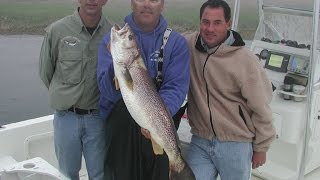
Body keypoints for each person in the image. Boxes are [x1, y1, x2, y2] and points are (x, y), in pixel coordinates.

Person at [97, 0, 190, 179]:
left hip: (156, 127)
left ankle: (177, 166)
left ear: (162, 4)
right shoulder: (110, 43)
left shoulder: (176, 44)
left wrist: (155, 119)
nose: (146, 4)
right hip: (120, 135)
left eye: (154, 0)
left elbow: (175, 88)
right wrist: (116, 67)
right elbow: (107, 92)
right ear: (132, 3)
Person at [184, 0, 276, 179]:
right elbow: (162, 43)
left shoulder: (246, 60)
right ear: (200, 22)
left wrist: (261, 148)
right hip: (200, 140)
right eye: (205, 22)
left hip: (236, 143)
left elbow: (262, 107)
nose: (210, 28)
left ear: (228, 23)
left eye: (217, 23)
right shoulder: (188, 44)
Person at [39, 0, 112, 179]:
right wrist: (64, 96)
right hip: (66, 118)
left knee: (99, 174)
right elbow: (45, 72)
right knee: (66, 174)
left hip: (98, 119)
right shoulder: (57, 30)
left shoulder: (113, 34)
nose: (92, 0)